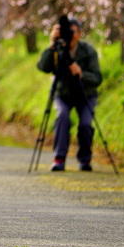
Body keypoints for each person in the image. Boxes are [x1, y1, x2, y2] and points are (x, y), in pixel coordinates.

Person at [37, 17, 102, 171]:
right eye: (67, 32)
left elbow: (98, 78)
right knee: (62, 117)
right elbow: (43, 67)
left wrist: (81, 74)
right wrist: (52, 44)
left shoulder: (88, 50)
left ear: (79, 34)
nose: (70, 35)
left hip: (86, 94)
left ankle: (85, 159)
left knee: (86, 123)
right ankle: (59, 158)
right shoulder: (58, 48)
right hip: (63, 94)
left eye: (72, 32)